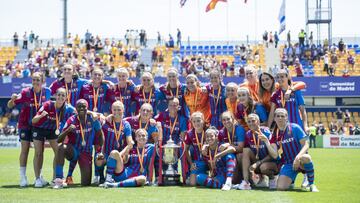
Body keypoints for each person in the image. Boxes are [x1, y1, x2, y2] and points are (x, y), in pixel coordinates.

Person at [7, 72, 51, 187]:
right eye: (34, 79)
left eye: (38, 80)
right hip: (25, 125)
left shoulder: (47, 92)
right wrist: (12, 100)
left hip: (39, 126)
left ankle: (39, 177)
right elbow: (10, 105)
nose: (35, 82)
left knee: (39, 152)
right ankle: (23, 177)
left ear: (42, 81)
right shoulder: (25, 92)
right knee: (25, 150)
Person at [53, 99, 104, 188]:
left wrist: (100, 151)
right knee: (61, 147)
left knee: (86, 183)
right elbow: (59, 140)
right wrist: (68, 130)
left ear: (87, 108)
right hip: (74, 151)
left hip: (86, 153)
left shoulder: (92, 119)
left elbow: (100, 135)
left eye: (83, 106)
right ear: (76, 108)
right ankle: (58, 180)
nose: (81, 108)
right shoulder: (71, 120)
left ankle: (71, 176)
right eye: (79, 106)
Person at [31, 88, 76, 187]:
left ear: (66, 97)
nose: (60, 97)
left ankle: (56, 178)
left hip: (53, 130)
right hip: (39, 128)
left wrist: (94, 114)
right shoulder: (47, 105)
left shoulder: (68, 108)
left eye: (63, 95)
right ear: (55, 96)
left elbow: (81, 111)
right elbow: (33, 120)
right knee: (39, 153)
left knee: (59, 151)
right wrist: (41, 115)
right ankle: (38, 179)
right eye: (59, 95)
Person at [270, 108, 319, 192]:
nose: (280, 118)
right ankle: (291, 180)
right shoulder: (274, 134)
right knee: (280, 187)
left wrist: (297, 157)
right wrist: (267, 142)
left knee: (306, 157)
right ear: (274, 118)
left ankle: (311, 184)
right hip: (289, 163)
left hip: (300, 160)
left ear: (287, 118)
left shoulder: (295, 128)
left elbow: (306, 144)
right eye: (278, 116)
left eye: (283, 116)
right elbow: (275, 155)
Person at [95, 101, 133, 184]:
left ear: (123, 110)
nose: (116, 112)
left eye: (119, 109)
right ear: (111, 110)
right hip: (106, 153)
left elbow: (130, 144)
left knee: (114, 153)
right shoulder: (106, 121)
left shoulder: (126, 125)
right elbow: (92, 114)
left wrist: (120, 154)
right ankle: (101, 178)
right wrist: (101, 115)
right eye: (114, 110)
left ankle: (109, 179)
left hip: (118, 154)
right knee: (98, 159)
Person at [237, 114, 278, 190]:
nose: (251, 123)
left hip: (270, 162)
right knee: (244, 152)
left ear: (258, 122)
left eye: (253, 121)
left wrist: (258, 163)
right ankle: (247, 182)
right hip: (257, 160)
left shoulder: (267, 132)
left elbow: (272, 155)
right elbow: (246, 152)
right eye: (249, 121)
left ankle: (272, 178)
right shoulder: (248, 134)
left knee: (264, 167)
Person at [155, 98, 188, 184]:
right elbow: (153, 121)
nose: (173, 107)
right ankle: (157, 177)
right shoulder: (162, 116)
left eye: (175, 105)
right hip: (163, 143)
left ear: (179, 107)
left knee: (183, 148)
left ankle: (185, 176)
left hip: (175, 144)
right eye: (170, 105)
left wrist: (179, 143)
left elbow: (183, 134)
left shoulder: (182, 119)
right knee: (155, 149)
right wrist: (154, 122)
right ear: (167, 106)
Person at [184, 112, 208, 186]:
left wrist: (206, 145)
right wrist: (191, 164)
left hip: (210, 160)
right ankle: (203, 176)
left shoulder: (208, 130)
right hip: (198, 162)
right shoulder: (190, 133)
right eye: (194, 121)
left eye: (198, 121)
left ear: (203, 121)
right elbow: (186, 150)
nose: (196, 123)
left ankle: (209, 176)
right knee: (192, 183)